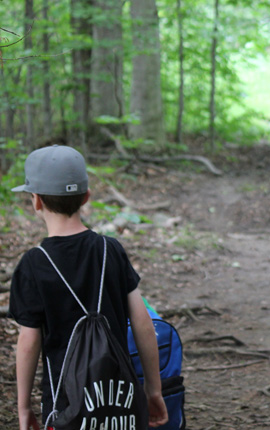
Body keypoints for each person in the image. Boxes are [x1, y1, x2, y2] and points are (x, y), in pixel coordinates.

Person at [8, 145, 168, 430]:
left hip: (66, 407)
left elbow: (28, 343)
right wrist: (153, 390)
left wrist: (23, 407)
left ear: (36, 201)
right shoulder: (111, 250)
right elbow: (143, 323)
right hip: (121, 403)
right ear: (86, 197)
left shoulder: (34, 265)